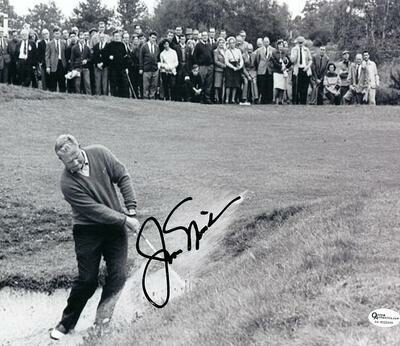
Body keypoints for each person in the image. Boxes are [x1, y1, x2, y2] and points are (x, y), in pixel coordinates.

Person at [50, 134, 140, 341]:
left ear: (79, 147)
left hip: (115, 229)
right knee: (87, 280)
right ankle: (66, 323)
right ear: (61, 161)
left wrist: (131, 209)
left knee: (118, 275)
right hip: (87, 230)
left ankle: (102, 321)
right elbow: (95, 210)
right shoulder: (67, 183)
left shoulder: (100, 153)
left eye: (76, 157)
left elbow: (122, 176)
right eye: (69, 161)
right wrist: (125, 219)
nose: (75, 163)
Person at [106, 31, 130, 98]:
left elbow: (125, 57)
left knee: (122, 83)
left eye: (118, 36)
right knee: (113, 83)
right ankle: (114, 96)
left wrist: (126, 67)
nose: (117, 37)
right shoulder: (110, 45)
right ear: (113, 37)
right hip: (113, 68)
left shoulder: (122, 45)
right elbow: (105, 55)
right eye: (115, 36)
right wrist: (109, 57)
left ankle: (122, 97)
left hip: (121, 68)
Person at [193, 31, 214, 104]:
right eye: (203, 36)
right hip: (202, 66)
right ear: (201, 36)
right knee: (202, 82)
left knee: (209, 83)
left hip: (210, 66)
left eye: (206, 36)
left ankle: (207, 98)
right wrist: (197, 65)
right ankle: (201, 98)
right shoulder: (198, 45)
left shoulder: (209, 45)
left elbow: (211, 55)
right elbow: (195, 56)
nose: (205, 37)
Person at [290, 36, 312, 105]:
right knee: (296, 87)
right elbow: (292, 60)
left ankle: (303, 102)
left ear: (304, 42)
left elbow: (310, 59)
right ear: (297, 42)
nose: (300, 44)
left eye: (301, 42)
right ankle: (295, 102)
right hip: (297, 69)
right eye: (299, 42)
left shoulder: (306, 50)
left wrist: (308, 66)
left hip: (305, 69)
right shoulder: (294, 49)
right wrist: (296, 51)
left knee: (304, 87)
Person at [139, 31, 160, 100]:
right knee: (146, 85)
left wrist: (158, 66)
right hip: (146, 69)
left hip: (154, 69)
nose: (153, 39)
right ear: (149, 37)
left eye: (155, 38)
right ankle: (145, 97)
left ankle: (152, 97)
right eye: (152, 38)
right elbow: (141, 58)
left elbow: (158, 57)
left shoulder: (156, 47)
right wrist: (141, 68)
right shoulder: (144, 46)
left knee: (154, 85)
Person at [254, 37, 275, 104]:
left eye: (267, 42)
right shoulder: (259, 50)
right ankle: (263, 99)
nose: (266, 43)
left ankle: (269, 99)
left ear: (269, 42)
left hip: (269, 69)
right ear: (263, 42)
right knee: (262, 85)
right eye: (265, 42)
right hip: (261, 69)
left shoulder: (273, 50)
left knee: (269, 84)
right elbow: (257, 60)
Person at [46, 27, 67, 92]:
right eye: (56, 34)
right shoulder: (49, 43)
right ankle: (53, 97)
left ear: (60, 34)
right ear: (53, 34)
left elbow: (66, 55)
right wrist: (48, 66)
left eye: (58, 33)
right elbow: (47, 56)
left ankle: (62, 97)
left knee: (62, 82)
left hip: (62, 64)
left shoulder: (64, 43)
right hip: (53, 64)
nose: (57, 35)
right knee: (53, 83)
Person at [271, 39, 292, 105]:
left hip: (283, 72)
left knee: (282, 87)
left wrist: (285, 67)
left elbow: (290, 61)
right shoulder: (274, 52)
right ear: (277, 45)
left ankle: (281, 100)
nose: (280, 46)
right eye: (279, 45)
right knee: (276, 86)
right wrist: (281, 67)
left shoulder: (285, 52)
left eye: (282, 45)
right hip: (276, 71)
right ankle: (274, 99)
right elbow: (274, 62)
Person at [224, 36, 243, 104]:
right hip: (229, 68)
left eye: (233, 43)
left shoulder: (238, 51)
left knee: (235, 84)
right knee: (228, 84)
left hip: (237, 66)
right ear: (229, 44)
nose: (232, 44)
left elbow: (241, 60)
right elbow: (226, 62)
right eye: (230, 43)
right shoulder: (227, 51)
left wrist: (240, 66)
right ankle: (227, 99)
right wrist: (233, 67)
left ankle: (233, 99)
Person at [213, 37, 226, 104]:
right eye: (220, 43)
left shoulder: (225, 50)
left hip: (225, 71)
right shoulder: (215, 51)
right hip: (218, 70)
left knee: (223, 85)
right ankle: (216, 98)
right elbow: (216, 61)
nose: (221, 44)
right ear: (218, 43)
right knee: (217, 85)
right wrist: (223, 65)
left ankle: (222, 98)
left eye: (223, 43)